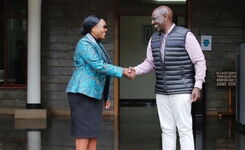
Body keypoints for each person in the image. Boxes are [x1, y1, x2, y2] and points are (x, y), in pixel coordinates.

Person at [129, 6, 206, 150]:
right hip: (161, 91)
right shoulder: (154, 39)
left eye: (155, 19)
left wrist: (198, 85)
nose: (152, 22)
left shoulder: (186, 35)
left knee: (184, 130)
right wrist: (135, 70)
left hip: (182, 90)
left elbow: (199, 61)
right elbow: (150, 63)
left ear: (166, 17)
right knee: (167, 130)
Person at [66, 15, 132, 150]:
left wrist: (105, 95)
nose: (106, 30)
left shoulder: (96, 44)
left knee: (92, 132)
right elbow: (99, 66)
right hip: (81, 93)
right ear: (93, 28)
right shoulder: (84, 43)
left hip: (93, 94)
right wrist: (123, 70)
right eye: (104, 27)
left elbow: (102, 71)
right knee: (84, 132)